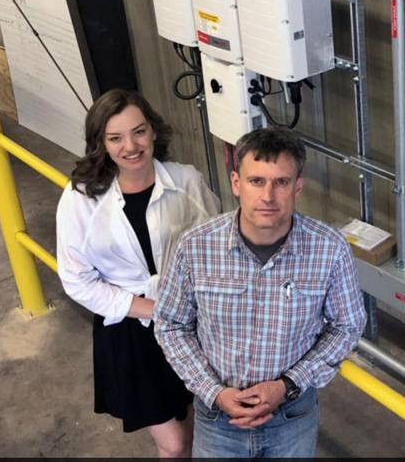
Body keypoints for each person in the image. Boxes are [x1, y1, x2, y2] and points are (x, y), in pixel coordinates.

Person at [154, 127, 366, 458]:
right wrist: (214, 392)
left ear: (298, 187)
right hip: (217, 418)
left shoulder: (330, 249)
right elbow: (170, 324)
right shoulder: (195, 246)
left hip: (292, 417)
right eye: (256, 181)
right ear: (236, 183)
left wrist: (289, 384)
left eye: (281, 182)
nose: (268, 195)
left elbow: (347, 326)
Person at [56, 89, 221, 457]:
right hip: (131, 332)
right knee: (175, 444)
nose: (130, 146)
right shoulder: (80, 198)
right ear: (101, 143)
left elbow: (215, 247)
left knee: (196, 423)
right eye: (115, 138)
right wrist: (153, 309)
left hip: (190, 323)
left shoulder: (186, 180)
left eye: (139, 132)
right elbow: (76, 280)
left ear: (153, 131)